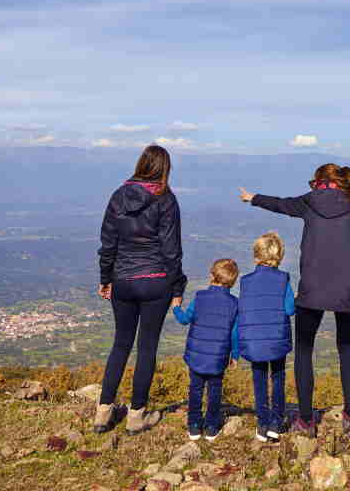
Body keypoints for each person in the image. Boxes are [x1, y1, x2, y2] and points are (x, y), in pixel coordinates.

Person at [238, 163, 350, 439]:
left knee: (304, 351)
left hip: (311, 288)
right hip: (348, 290)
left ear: (320, 181)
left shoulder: (310, 202)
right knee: (346, 347)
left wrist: (253, 198)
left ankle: (305, 420)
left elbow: (281, 205)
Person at [94, 144, 186, 435]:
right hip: (156, 280)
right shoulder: (166, 199)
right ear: (165, 169)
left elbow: (108, 242)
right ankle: (136, 416)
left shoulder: (118, 196)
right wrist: (177, 285)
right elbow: (172, 250)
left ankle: (102, 414)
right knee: (147, 348)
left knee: (120, 344)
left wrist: (105, 277)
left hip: (123, 279)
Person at [173, 258, 241, 441]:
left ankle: (194, 426)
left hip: (196, 355)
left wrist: (176, 308)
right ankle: (211, 427)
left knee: (195, 389)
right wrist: (234, 355)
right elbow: (235, 334)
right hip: (218, 357)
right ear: (233, 281)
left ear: (212, 276)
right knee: (215, 391)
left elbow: (185, 319)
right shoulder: (234, 304)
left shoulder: (200, 297)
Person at [238, 231, 296, 442]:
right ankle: (276, 422)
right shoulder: (282, 279)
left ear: (256, 256)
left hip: (253, 340)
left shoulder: (245, 281)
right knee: (278, 377)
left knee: (259, 378)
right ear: (279, 256)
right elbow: (289, 309)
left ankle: (262, 423)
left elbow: (243, 310)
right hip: (277, 338)